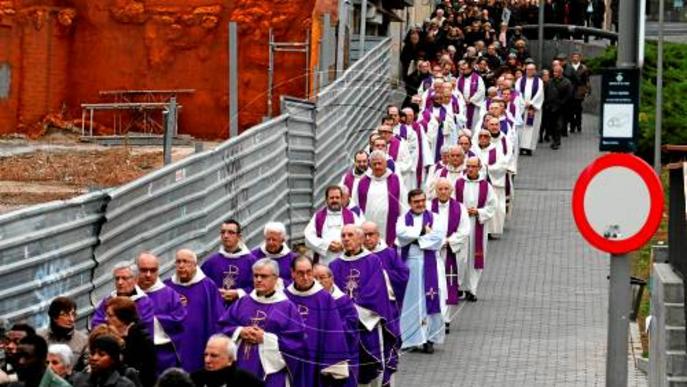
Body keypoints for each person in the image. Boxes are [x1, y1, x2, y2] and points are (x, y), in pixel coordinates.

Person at [217, 258, 307, 387]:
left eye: (263, 276)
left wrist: (265, 338)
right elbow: (223, 326)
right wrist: (240, 331)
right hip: (240, 367)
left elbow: (296, 342)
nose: (258, 280)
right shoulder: (243, 302)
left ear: (275, 278)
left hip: (270, 372)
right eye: (256, 276)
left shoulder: (287, 307)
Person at [329, 225, 398, 386]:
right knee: (351, 368)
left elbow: (375, 292)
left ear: (360, 239)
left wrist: (350, 311)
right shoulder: (334, 265)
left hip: (369, 324)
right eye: (343, 235)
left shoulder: (373, 261)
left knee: (374, 366)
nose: (346, 238)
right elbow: (332, 294)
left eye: (350, 235)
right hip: (345, 328)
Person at [284, 257, 351, 386]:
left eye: (309, 272)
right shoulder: (284, 296)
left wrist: (332, 366)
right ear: (292, 273)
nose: (305, 277)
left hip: (316, 360)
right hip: (289, 361)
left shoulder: (324, 298)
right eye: (300, 273)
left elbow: (334, 333)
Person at [395, 189, 446, 354]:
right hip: (411, 263)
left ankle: (429, 338)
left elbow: (438, 238)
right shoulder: (403, 219)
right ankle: (411, 338)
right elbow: (400, 235)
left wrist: (416, 239)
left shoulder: (435, 218)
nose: (420, 204)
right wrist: (423, 233)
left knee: (429, 300)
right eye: (416, 201)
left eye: (422, 200)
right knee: (411, 302)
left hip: (430, 263)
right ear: (410, 203)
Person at [164, 249, 224, 373]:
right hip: (173, 347)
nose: (181, 266)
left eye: (185, 262)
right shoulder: (167, 286)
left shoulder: (208, 287)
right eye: (178, 262)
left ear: (195, 265)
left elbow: (217, 319)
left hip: (198, 345)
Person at [453, 157, 497, 302]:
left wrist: (478, 212)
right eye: (468, 166)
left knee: (475, 258)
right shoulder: (459, 183)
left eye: (473, 166)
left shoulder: (486, 186)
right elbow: (452, 202)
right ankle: (459, 287)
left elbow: (492, 205)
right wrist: (463, 212)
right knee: (461, 257)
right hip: (461, 225)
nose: (470, 169)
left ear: (479, 168)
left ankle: (472, 289)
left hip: (478, 224)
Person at [429, 178, 470, 332]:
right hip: (431, 253)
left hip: (449, 252)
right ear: (435, 190)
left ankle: (445, 319)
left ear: (451, 191)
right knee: (433, 285)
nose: (443, 192)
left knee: (448, 284)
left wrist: (448, 241)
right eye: (440, 189)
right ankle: (432, 317)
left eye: (446, 188)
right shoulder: (428, 206)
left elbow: (464, 230)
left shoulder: (459, 208)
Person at [136, 252, 186, 375]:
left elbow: (179, 319)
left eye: (153, 270)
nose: (148, 275)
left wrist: (150, 322)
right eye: (144, 270)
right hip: (134, 357)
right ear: (136, 271)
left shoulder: (169, 295)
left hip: (163, 356)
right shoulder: (126, 293)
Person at [352, 150, 408, 246]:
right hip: (367, 225)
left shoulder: (396, 180)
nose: (377, 166)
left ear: (385, 163)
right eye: (374, 164)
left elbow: (403, 202)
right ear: (370, 165)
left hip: (390, 227)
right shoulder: (362, 182)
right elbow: (355, 206)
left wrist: (404, 224)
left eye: (380, 163)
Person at [91, 262, 155, 340]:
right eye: (117, 278)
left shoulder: (144, 302)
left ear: (135, 279)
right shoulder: (108, 300)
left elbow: (145, 327)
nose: (120, 282)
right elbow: (96, 324)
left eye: (124, 278)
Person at [104, 297, 156, 387]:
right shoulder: (111, 335)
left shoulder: (142, 338)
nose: (105, 319)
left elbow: (144, 372)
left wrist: (120, 343)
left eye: (110, 315)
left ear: (123, 318)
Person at [201, 219, 257, 303]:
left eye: (231, 232)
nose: (226, 236)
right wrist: (216, 292)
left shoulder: (253, 262)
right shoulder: (211, 262)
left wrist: (238, 293)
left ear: (239, 236)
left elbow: (260, 287)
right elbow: (201, 286)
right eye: (223, 232)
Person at [304, 185, 361, 265]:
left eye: (337, 197)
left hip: (347, 260)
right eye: (331, 198)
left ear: (341, 199)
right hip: (324, 263)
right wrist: (327, 245)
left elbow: (360, 235)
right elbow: (308, 237)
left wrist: (343, 245)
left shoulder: (352, 216)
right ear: (326, 200)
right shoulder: (318, 217)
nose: (335, 200)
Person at [473, 125, 510, 238]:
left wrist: (487, 169)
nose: (483, 138)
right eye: (481, 136)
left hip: (493, 183)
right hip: (476, 184)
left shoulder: (496, 149)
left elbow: (502, 165)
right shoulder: (474, 150)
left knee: (494, 205)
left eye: (486, 136)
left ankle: (491, 231)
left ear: (489, 139)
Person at [190, 335, 263, 387]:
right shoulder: (192, 381)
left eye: (214, 356)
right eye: (206, 355)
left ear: (230, 360)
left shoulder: (250, 383)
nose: (207, 360)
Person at [38, 297, 88, 371]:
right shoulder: (40, 338)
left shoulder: (83, 340)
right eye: (65, 315)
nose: (71, 319)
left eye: (73, 314)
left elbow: (88, 368)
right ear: (54, 317)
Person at [71, 335, 136, 387]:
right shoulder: (79, 380)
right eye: (92, 353)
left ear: (113, 359)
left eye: (101, 354)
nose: (94, 358)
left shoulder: (125, 385)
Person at [251, 222, 297, 289]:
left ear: (282, 240)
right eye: (268, 239)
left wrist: (280, 282)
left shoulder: (293, 259)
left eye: (274, 240)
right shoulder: (254, 255)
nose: (270, 243)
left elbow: (297, 282)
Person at [515, 63, 544, 155]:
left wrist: (531, 103)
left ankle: (529, 148)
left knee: (531, 128)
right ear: (525, 70)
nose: (530, 71)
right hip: (522, 108)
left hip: (533, 109)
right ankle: (521, 147)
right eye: (528, 69)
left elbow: (540, 93)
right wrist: (523, 103)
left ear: (535, 70)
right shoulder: (520, 80)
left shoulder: (539, 81)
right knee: (521, 128)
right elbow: (517, 92)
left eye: (532, 69)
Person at [545, 64, 572, 150]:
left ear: (561, 73)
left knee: (558, 125)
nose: (554, 73)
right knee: (551, 125)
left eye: (556, 72)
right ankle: (554, 139)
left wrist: (561, 103)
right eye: (554, 71)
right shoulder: (550, 82)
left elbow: (568, 95)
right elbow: (546, 93)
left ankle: (556, 141)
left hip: (561, 108)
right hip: (550, 107)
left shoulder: (566, 82)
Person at [455, 59, 486, 134]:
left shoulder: (478, 78)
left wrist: (471, 100)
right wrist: (462, 100)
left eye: (464, 69)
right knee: (463, 124)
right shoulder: (459, 79)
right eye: (461, 69)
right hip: (463, 106)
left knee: (474, 124)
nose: (462, 71)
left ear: (470, 69)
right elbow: (457, 91)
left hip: (474, 106)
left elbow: (481, 91)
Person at [564, 51, 590, 134]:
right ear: (572, 58)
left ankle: (578, 125)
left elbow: (586, 80)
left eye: (577, 56)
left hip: (579, 91)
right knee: (570, 109)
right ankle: (572, 126)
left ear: (580, 58)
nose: (575, 58)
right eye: (574, 56)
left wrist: (586, 91)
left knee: (578, 109)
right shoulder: (568, 67)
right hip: (570, 90)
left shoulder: (583, 68)